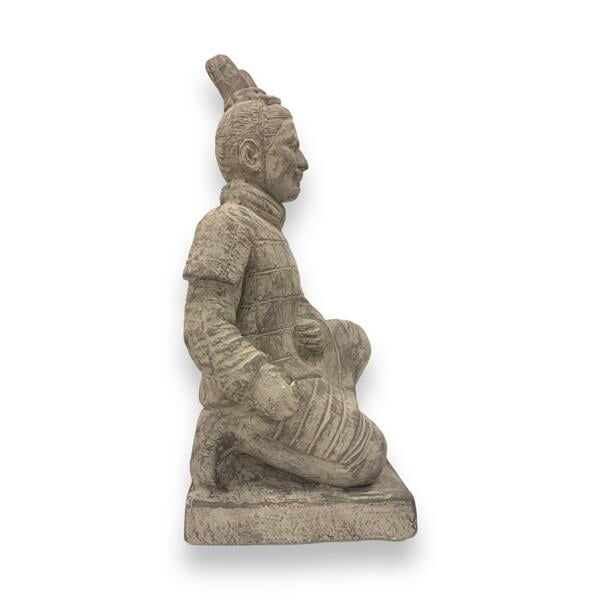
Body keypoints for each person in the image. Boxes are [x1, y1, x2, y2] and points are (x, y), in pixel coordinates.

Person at [184, 55, 387, 489]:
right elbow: (203, 325)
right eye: (290, 147)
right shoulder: (226, 225)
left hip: (287, 365)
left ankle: (315, 425)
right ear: (251, 155)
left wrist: (308, 325)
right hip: (257, 393)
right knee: (367, 454)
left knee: (350, 340)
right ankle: (229, 434)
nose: (302, 161)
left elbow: (280, 301)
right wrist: (259, 382)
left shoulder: (264, 226)